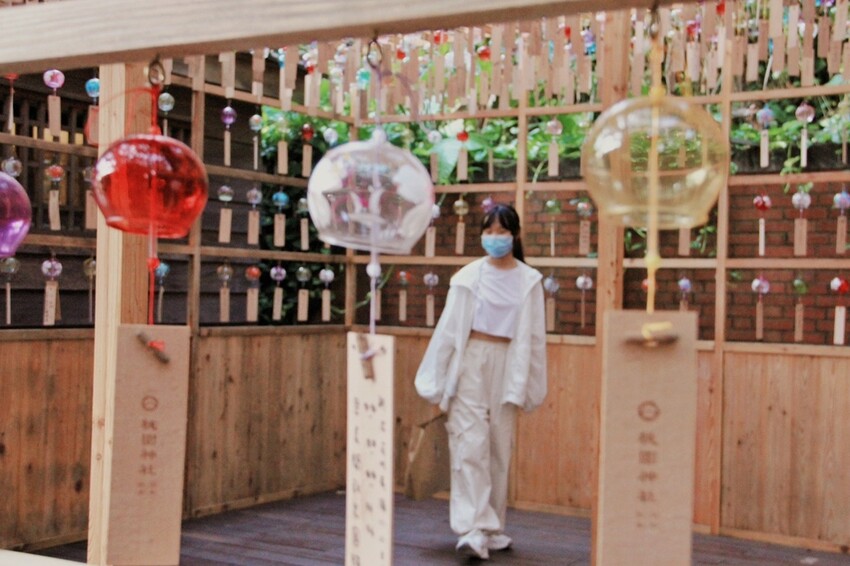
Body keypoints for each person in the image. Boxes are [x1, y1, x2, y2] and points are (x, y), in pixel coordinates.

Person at [414, 203, 548, 560]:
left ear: (514, 235)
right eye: (488, 231)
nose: (494, 238)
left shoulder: (529, 280)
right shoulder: (467, 277)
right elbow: (447, 331)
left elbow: (534, 338)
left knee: (498, 447)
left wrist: (530, 385)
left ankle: (492, 527)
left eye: (501, 232)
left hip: (508, 363)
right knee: (469, 443)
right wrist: (436, 381)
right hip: (471, 361)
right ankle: (472, 527)